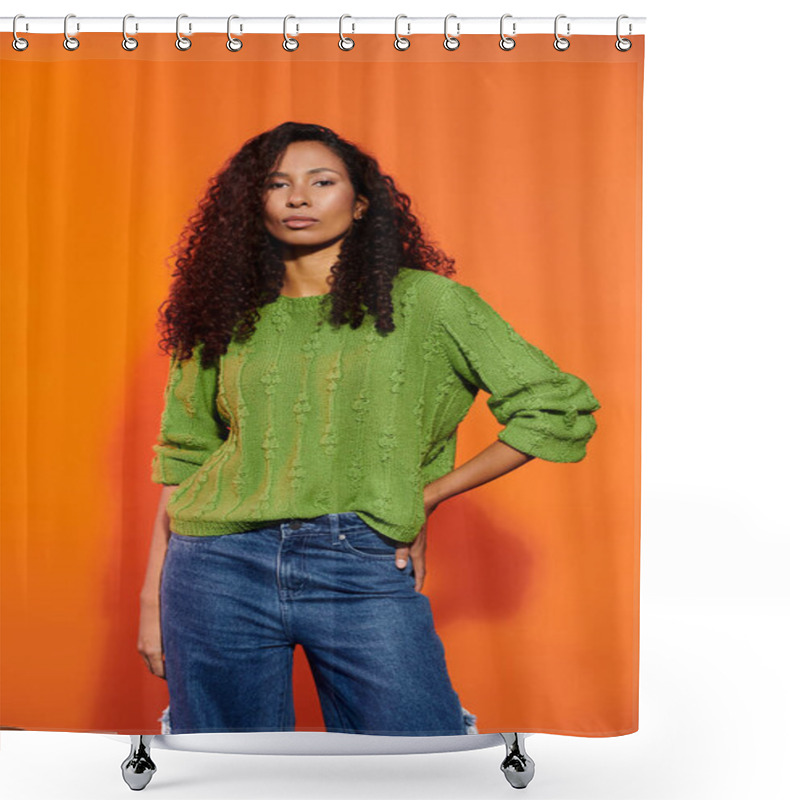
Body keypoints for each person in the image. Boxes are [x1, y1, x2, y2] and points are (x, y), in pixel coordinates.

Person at [137, 121, 601, 736]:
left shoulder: (429, 303)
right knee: (232, 773)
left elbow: (555, 405)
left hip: (360, 560)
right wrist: (152, 600)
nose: (298, 198)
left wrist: (427, 494)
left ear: (359, 205)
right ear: (253, 207)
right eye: (277, 185)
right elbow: (186, 456)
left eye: (321, 182)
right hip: (216, 567)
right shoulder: (220, 313)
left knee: (412, 763)